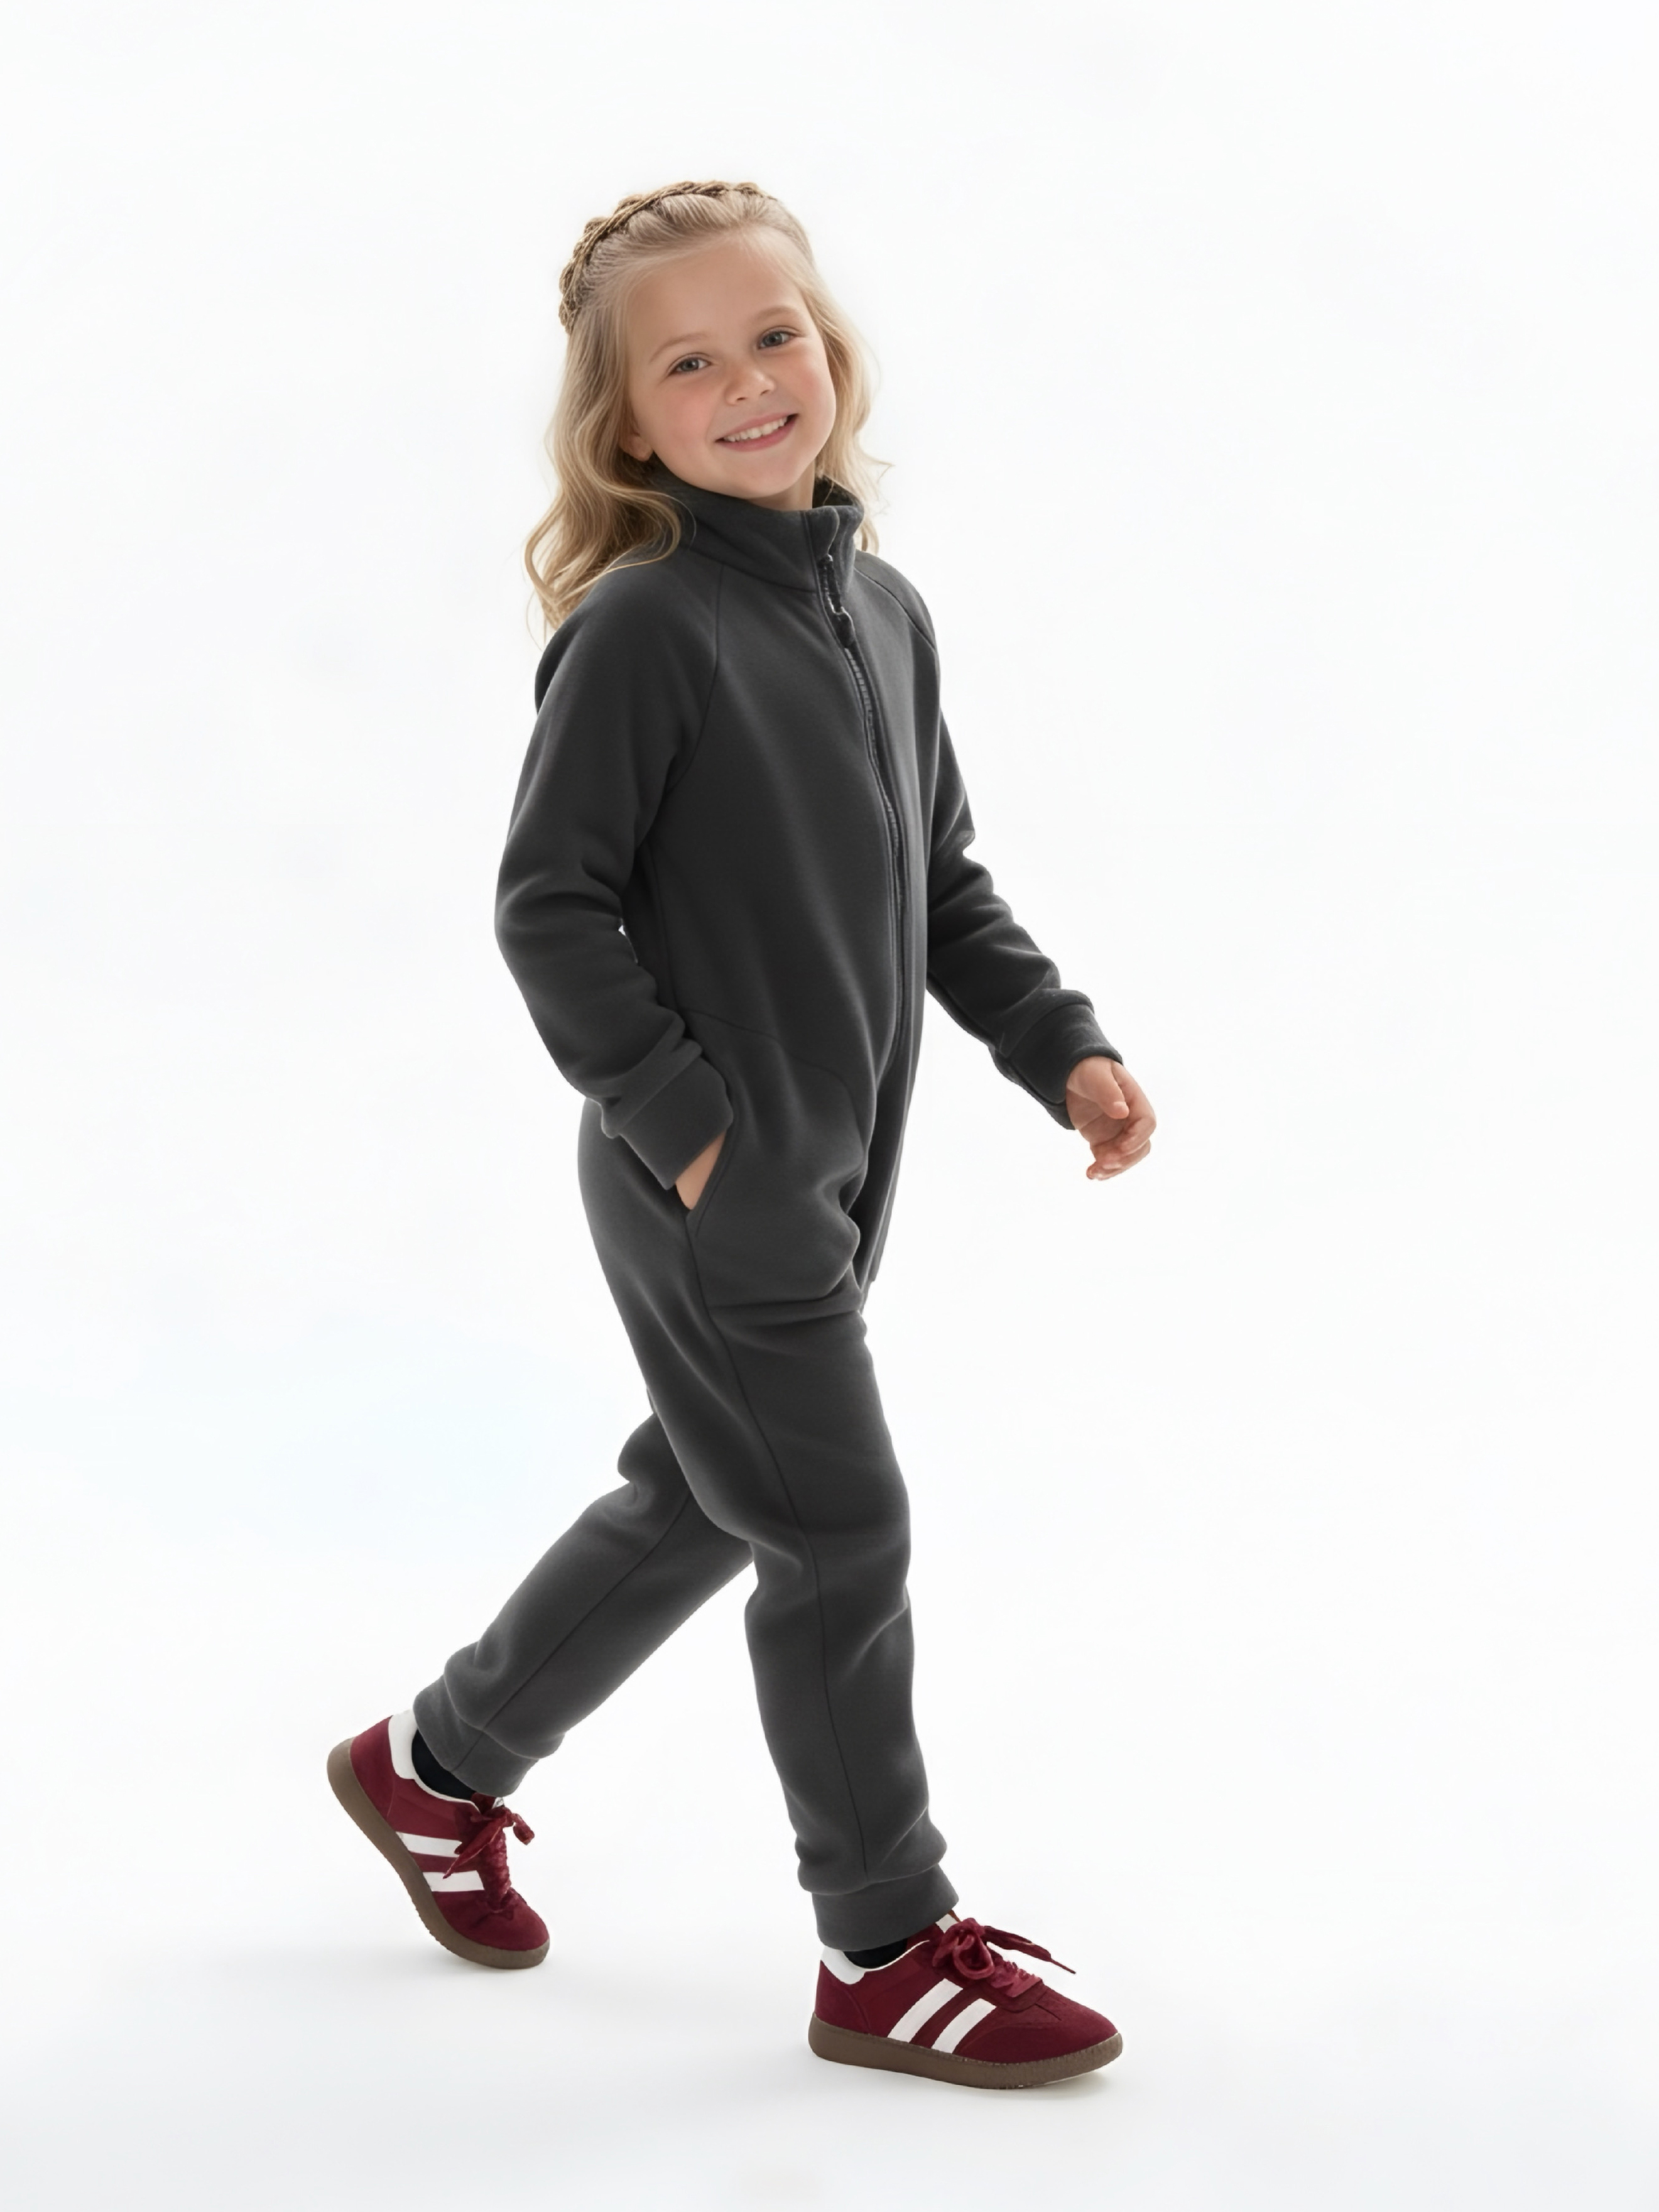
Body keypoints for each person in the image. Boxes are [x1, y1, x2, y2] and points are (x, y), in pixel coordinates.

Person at [328, 179, 1156, 2091]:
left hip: (824, 1174)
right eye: (687, 364)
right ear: (627, 426)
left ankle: (435, 1766)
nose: (747, 383)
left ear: (830, 349)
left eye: (772, 336)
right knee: (840, 1529)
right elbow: (550, 907)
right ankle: (886, 1943)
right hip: (712, 1182)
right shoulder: (646, 628)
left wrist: (1062, 1046)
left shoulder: (882, 611)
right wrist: (698, 1137)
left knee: (714, 1492)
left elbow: (937, 881)